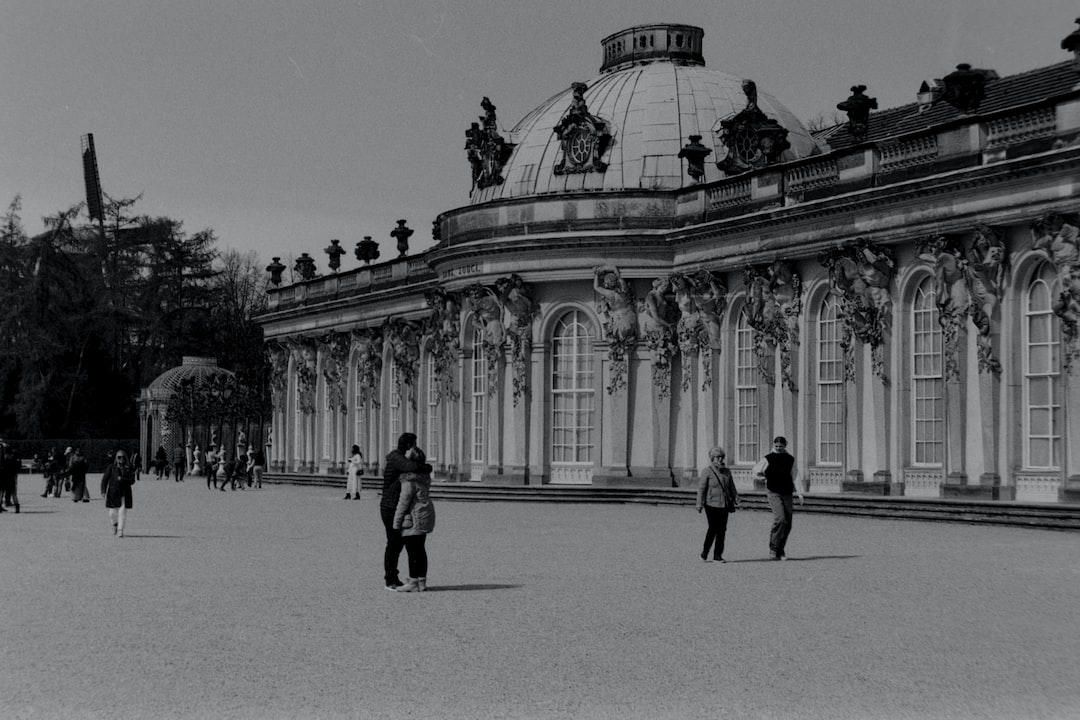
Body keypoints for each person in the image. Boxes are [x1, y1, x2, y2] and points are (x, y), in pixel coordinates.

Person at [380, 433, 432, 591]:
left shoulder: (402, 460)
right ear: (409, 445)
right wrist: (426, 467)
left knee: (407, 545)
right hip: (390, 507)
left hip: (399, 507)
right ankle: (391, 579)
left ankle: (415, 580)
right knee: (394, 544)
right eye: (414, 444)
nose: (415, 447)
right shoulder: (397, 458)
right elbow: (412, 467)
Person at [753, 436, 805, 560]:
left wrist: (800, 493)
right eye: (776, 446)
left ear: (785, 446)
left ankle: (780, 550)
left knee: (788, 523)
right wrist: (764, 478)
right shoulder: (768, 458)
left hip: (787, 492)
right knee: (780, 519)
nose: (778, 448)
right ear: (774, 445)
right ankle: (773, 548)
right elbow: (755, 471)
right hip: (773, 492)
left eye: (781, 447)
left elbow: (795, 475)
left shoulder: (790, 459)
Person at [393, 445, 436, 592]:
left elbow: (403, 503)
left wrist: (396, 523)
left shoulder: (409, 480)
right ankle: (421, 581)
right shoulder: (424, 477)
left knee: (412, 551)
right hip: (425, 514)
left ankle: (413, 582)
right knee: (421, 550)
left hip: (414, 517)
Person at [696, 446, 739, 562]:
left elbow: (731, 487)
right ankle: (705, 552)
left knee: (722, 530)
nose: (720, 459)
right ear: (712, 458)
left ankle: (717, 555)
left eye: (721, 457)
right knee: (713, 528)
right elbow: (701, 489)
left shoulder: (727, 471)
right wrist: (699, 503)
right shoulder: (707, 471)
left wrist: (737, 499)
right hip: (711, 504)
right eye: (717, 457)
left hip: (724, 504)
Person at [101, 449, 136, 537]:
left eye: (123, 457)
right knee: (112, 513)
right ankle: (114, 524)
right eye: (119, 457)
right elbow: (105, 479)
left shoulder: (129, 468)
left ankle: (120, 529)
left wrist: (123, 480)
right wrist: (103, 490)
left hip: (125, 493)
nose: (121, 459)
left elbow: (132, 480)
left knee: (122, 511)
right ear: (116, 458)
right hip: (113, 492)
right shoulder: (111, 467)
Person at [0, 439, 19, 513]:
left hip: (4, 477)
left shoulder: (3, 460)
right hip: (11, 478)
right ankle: (17, 508)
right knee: (13, 493)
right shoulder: (13, 458)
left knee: (1, 492)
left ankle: (0, 506)